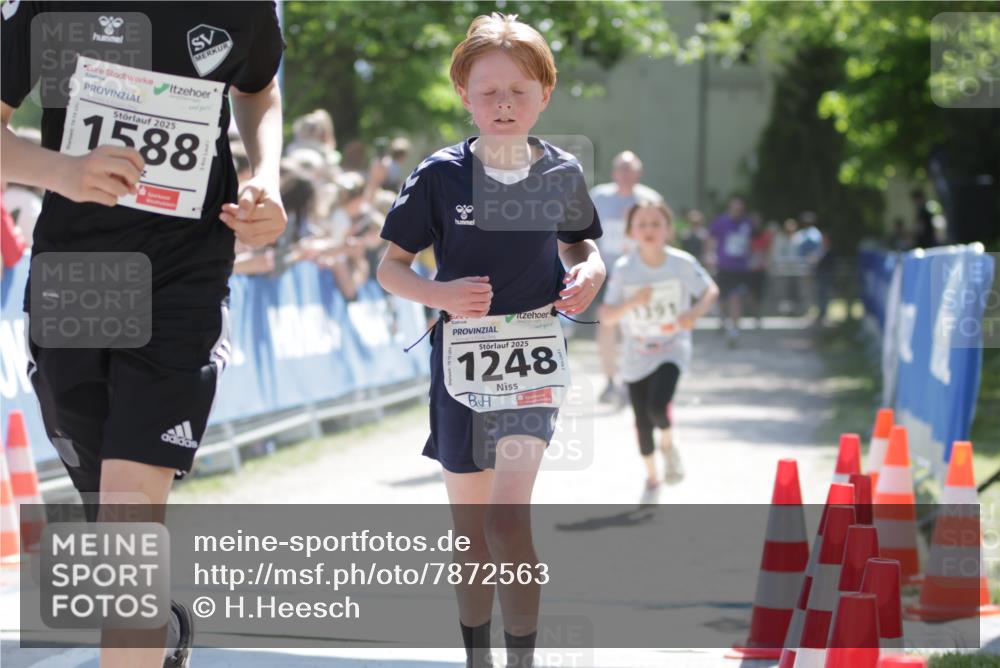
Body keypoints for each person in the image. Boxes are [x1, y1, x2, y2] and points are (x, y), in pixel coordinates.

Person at [1, 3, 287, 667]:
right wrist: (64, 172)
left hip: (186, 271)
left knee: (130, 519)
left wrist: (264, 175)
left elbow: (259, 90)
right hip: (79, 271)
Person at [377, 13, 604, 668]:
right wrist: (440, 295)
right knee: (471, 534)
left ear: (545, 95)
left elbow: (580, 241)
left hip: (531, 358)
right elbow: (390, 267)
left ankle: (523, 659)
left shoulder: (559, 172)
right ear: (464, 96)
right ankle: (478, 655)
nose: (504, 105)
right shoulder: (441, 176)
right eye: (488, 92)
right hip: (459, 365)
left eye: (519, 92)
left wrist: (592, 268)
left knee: (509, 521)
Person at [599, 200, 717, 494]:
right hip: (636, 352)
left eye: (656, 224)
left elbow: (710, 290)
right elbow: (607, 316)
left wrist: (693, 314)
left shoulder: (681, 263)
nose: (649, 230)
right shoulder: (625, 269)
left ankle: (668, 442)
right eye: (642, 224)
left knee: (657, 405)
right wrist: (632, 302)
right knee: (641, 420)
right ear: (631, 231)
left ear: (668, 229)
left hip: (671, 347)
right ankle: (652, 476)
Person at [589, 151, 663, 403]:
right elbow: (581, 228)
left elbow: (662, 237)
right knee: (606, 324)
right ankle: (610, 380)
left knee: (638, 327)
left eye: (630, 169)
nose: (625, 174)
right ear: (613, 172)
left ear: (638, 173)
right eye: (621, 168)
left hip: (640, 275)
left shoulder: (649, 199)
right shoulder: (599, 196)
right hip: (607, 272)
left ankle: (635, 379)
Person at [708, 196, 753, 346]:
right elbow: (711, 238)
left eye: (739, 209)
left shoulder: (747, 223)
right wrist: (710, 254)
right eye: (734, 208)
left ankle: (734, 329)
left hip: (740, 268)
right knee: (723, 298)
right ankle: (722, 319)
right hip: (723, 266)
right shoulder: (721, 222)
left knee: (735, 297)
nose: (737, 212)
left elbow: (752, 242)